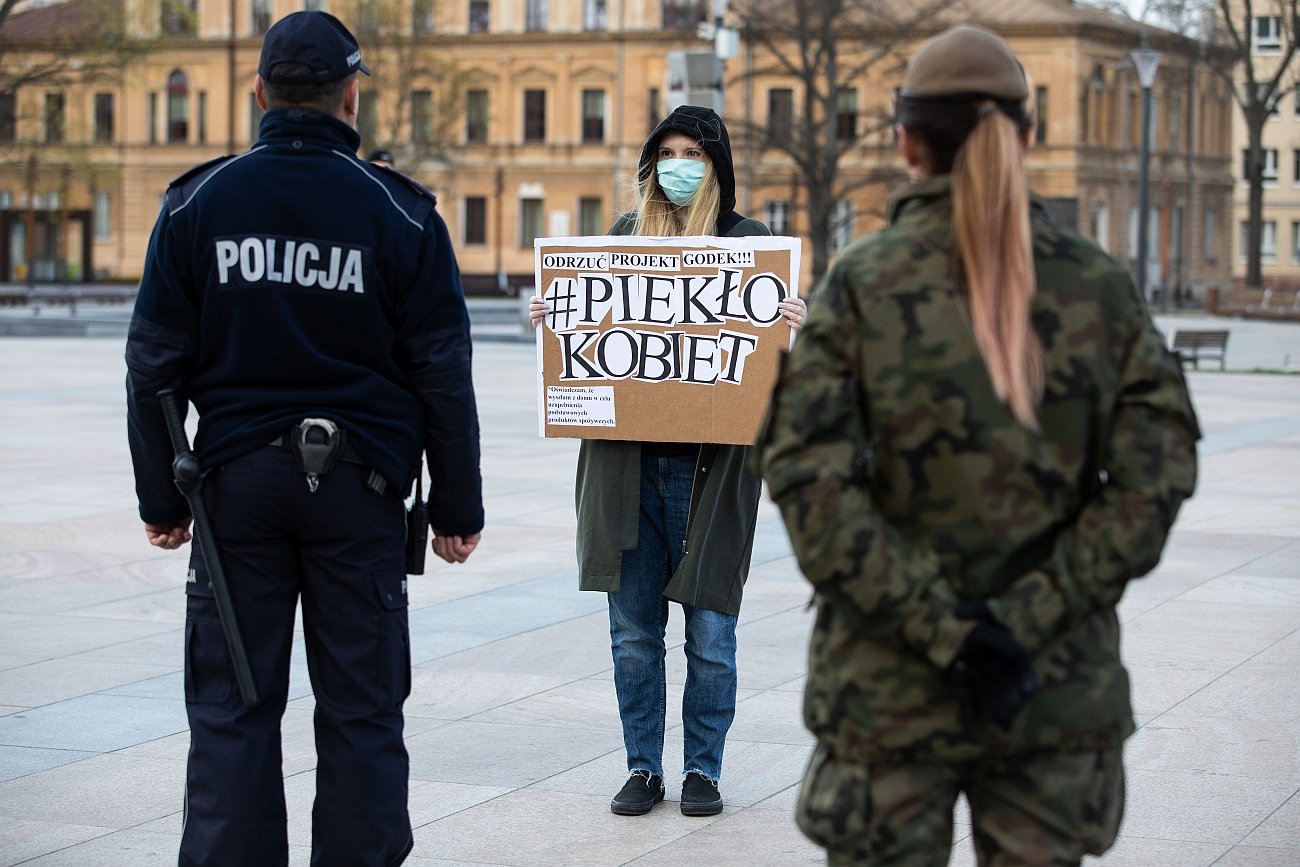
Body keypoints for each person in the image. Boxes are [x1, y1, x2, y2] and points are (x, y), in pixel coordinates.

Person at [756, 25, 1200, 867]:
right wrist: (1025, 619)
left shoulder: (861, 282)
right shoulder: (1098, 286)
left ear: (906, 142)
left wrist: (943, 627)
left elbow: (806, 478)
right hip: (1050, 686)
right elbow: (1157, 473)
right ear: (1026, 136)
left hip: (888, 695)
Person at [125, 11, 482, 866]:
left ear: (258, 94)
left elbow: (152, 365)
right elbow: (442, 369)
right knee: (361, 710)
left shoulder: (199, 202)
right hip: (358, 492)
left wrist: (161, 498)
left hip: (234, 491)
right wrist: (455, 506)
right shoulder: (400, 213)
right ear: (351, 96)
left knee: (231, 706)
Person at [530, 105, 805, 817]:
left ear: (716, 164)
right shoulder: (621, 241)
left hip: (712, 477)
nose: (679, 165)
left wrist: (792, 330)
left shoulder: (749, 247)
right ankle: (644, 766)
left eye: (693, 152)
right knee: (632, 634)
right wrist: (556, 320)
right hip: (627, 471)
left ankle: (703, 770)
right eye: (668, 152)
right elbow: (589, 335)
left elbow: (770, 371)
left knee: (712, 633)